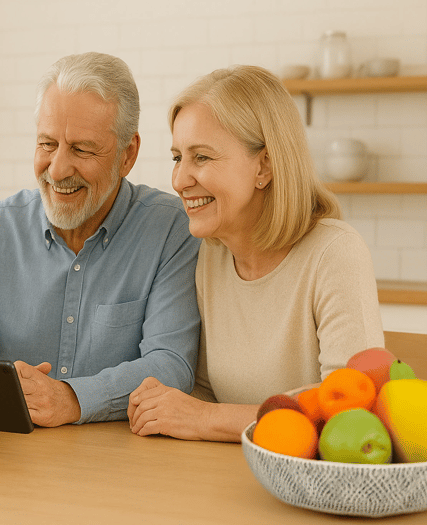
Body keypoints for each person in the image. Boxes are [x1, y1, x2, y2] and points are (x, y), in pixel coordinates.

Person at [0, 52, 201, 447]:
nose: (57, 169)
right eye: (47, 143)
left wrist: (72, 399)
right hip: (12, 461)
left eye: (82, 149)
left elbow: (171, 365)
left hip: (123, 464)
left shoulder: (172, 229)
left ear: (128, 154)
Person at [127, 65, 384, 443]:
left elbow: (348, 412)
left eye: (202, 157)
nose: (180, 180)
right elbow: (201, 392)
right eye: (177, 157)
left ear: (264, 165)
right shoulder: (209, 256)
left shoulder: (334, 253)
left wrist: (206, 419)